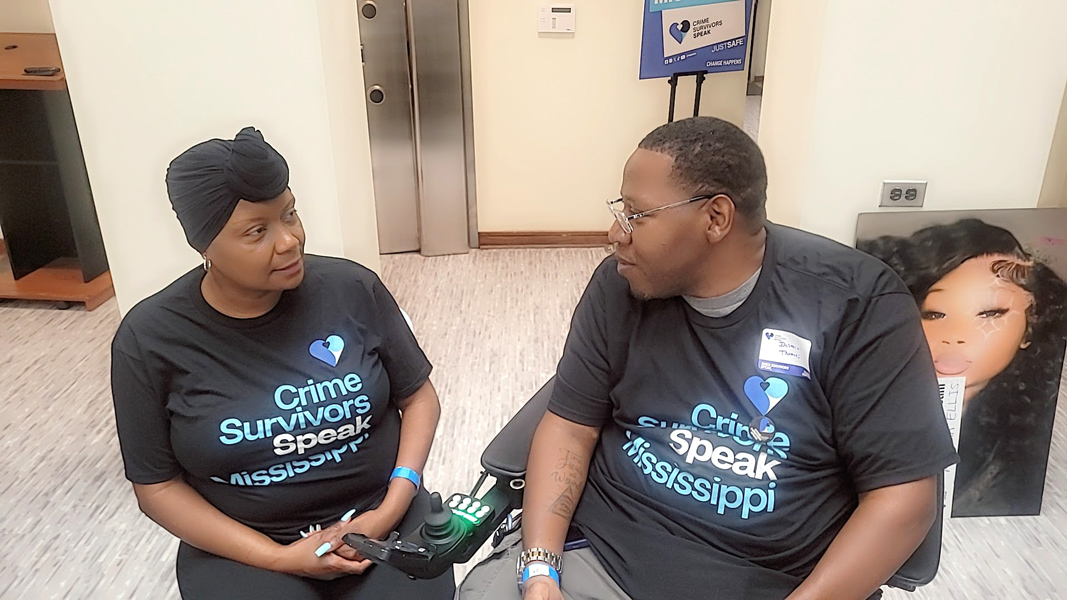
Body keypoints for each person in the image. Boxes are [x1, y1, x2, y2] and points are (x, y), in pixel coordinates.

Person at [457, 117, 957, 600]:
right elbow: (571, 426)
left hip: (766, 581)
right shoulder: (621, 284)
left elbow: (903, 501)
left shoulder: (856, 305)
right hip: (599, 558)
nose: (615, 233)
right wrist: (541, 567)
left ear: (715, 218)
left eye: (636, 214)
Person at [110, 127, 455, 599]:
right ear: (203, 245)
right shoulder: (150, 337)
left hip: (382, 517)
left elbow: (419, 399)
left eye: (290, 214)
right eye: (257, 231)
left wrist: (394, 505)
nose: (289, 241)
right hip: (246, 546)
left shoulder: (352, 288)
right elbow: (157, 487)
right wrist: (277, 557)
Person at [859, 219, 1067, 517]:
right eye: (933, 314)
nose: (955, 334)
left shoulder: (1034, 447)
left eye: (989, 313)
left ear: (1031, 327)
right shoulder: (865, 410)